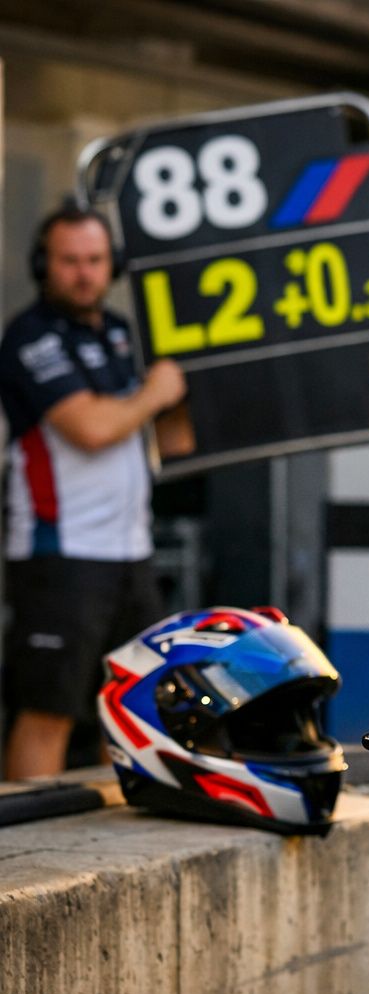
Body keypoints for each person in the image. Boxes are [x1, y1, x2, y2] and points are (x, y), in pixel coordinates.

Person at [1, 201, 185, 779]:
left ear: (113, 266)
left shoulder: (120, 333)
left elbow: (164, 439)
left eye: (95, 260)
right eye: (69, 261)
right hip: (61, 556)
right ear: (43, 265)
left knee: (133, 710)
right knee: (47, 712)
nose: (84, 273)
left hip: (129, 554)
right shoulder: (30, 335)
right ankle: (25, 858)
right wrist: (157, 393)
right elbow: (92, 428)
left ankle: (113, 834)